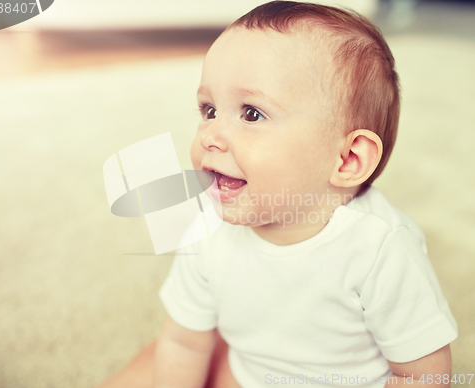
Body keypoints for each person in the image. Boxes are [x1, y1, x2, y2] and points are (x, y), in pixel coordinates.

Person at [97, 2, 458, 387]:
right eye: (209, 109)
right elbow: (185, 343)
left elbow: (424, 376)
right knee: (155, 361)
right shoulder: (206, 228)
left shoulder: (378, 248)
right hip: (245, 373)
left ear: (348, 158)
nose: (209, 136)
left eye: (252, 113)